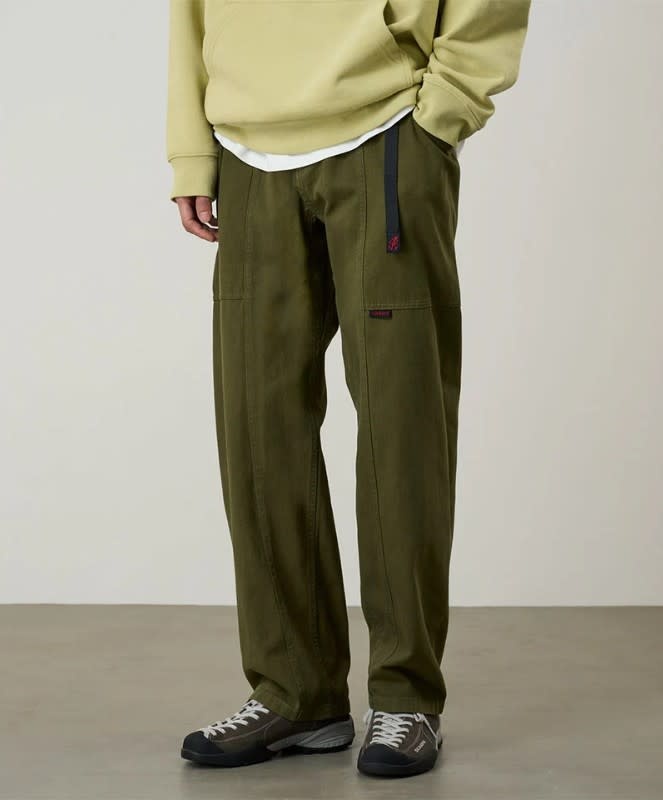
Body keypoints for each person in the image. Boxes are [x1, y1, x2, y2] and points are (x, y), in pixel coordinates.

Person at [167, 0, 531, 779]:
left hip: (387, 135)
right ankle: (295, 692)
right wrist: (192, 153)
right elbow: (188, 14)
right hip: (245, 151)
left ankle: (405, 696)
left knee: (402, 427)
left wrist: (441, 114)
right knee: (257, 431)